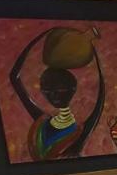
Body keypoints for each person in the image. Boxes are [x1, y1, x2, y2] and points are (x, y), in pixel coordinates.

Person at [9, 25, 106, 160]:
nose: (52, 95)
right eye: (47, 91)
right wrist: (42, 35)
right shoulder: (42, 123)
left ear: (72, 90)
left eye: (58, 90)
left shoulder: (79, 131)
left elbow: (100, 99)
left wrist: (95, 54)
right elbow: (14, 77)